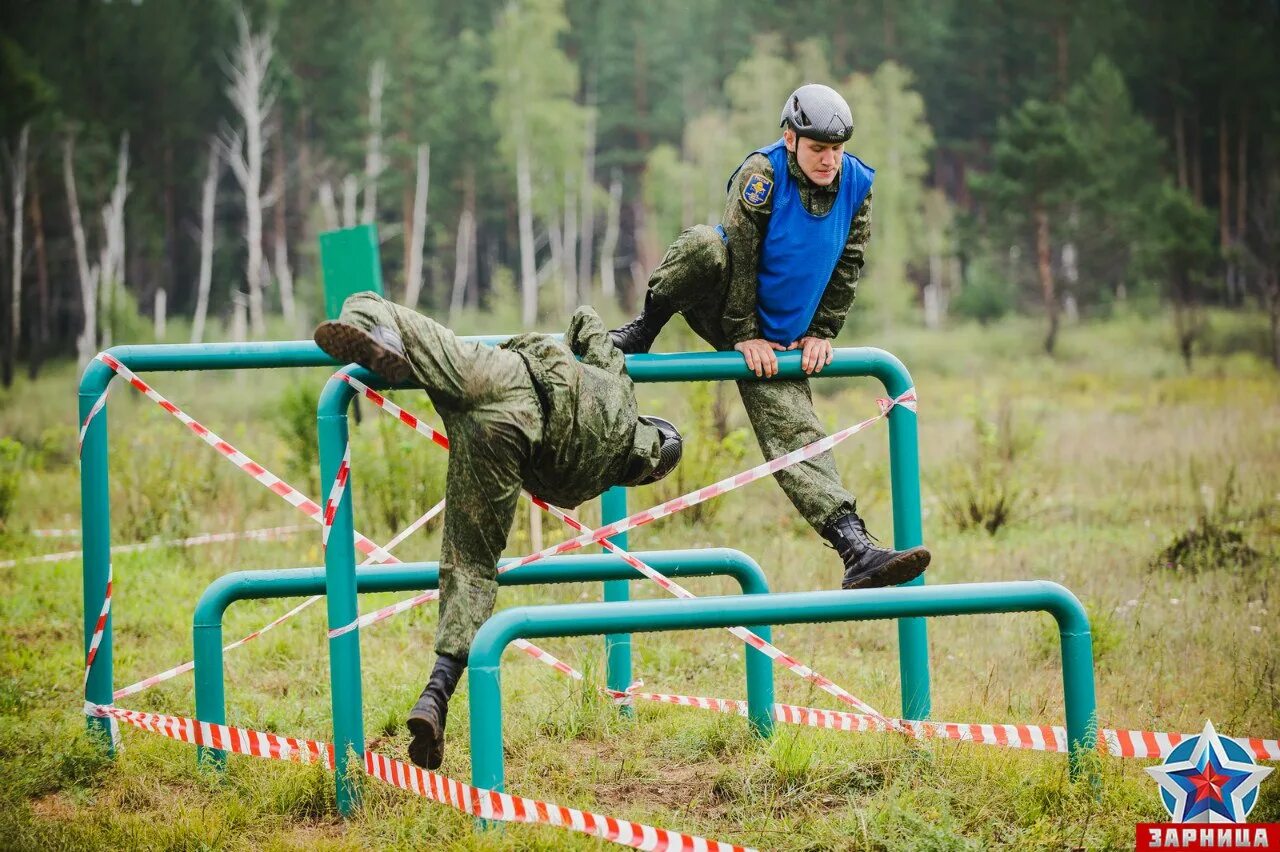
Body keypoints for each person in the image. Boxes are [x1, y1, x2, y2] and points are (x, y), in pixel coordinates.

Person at [314, 292, 683, 771]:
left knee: (370, 302)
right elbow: (544, 483)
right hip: (503, 446)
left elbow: (585, 320)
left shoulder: (620, 387)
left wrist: (591, 352)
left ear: (648, 427)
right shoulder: (591, 483)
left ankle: (377, 333)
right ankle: (437, 690)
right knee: (472, 566)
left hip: (500, 377)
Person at [609, 83, 930, 591]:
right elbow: (740, 256)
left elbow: (848, 264)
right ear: (790, 139)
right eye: (818, 149)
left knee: (796, 431)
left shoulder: (857, 184)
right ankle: (643, 328)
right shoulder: (762, 175)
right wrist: (743, 335)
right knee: (704, 245)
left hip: (781, 331)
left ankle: (855, 548)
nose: (829, 160)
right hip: (726, 307)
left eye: (836, 149)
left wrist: (822, 332)